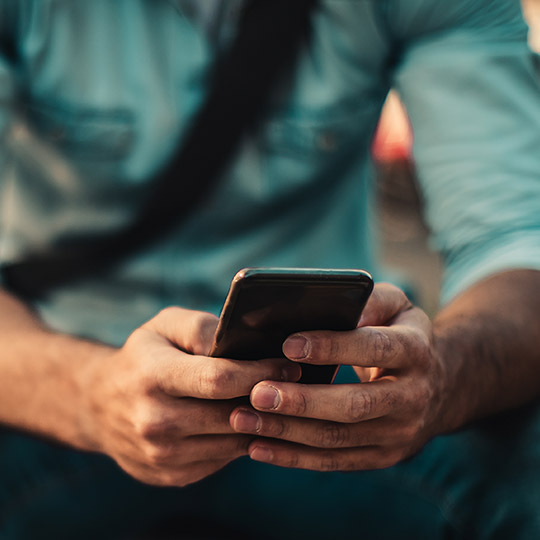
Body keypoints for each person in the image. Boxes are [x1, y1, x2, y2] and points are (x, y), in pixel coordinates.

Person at [1, 1, 540, 538]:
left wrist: (441, 377)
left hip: (330, 407)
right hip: (59, 387)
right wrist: (91, 395)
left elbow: (517, 243)